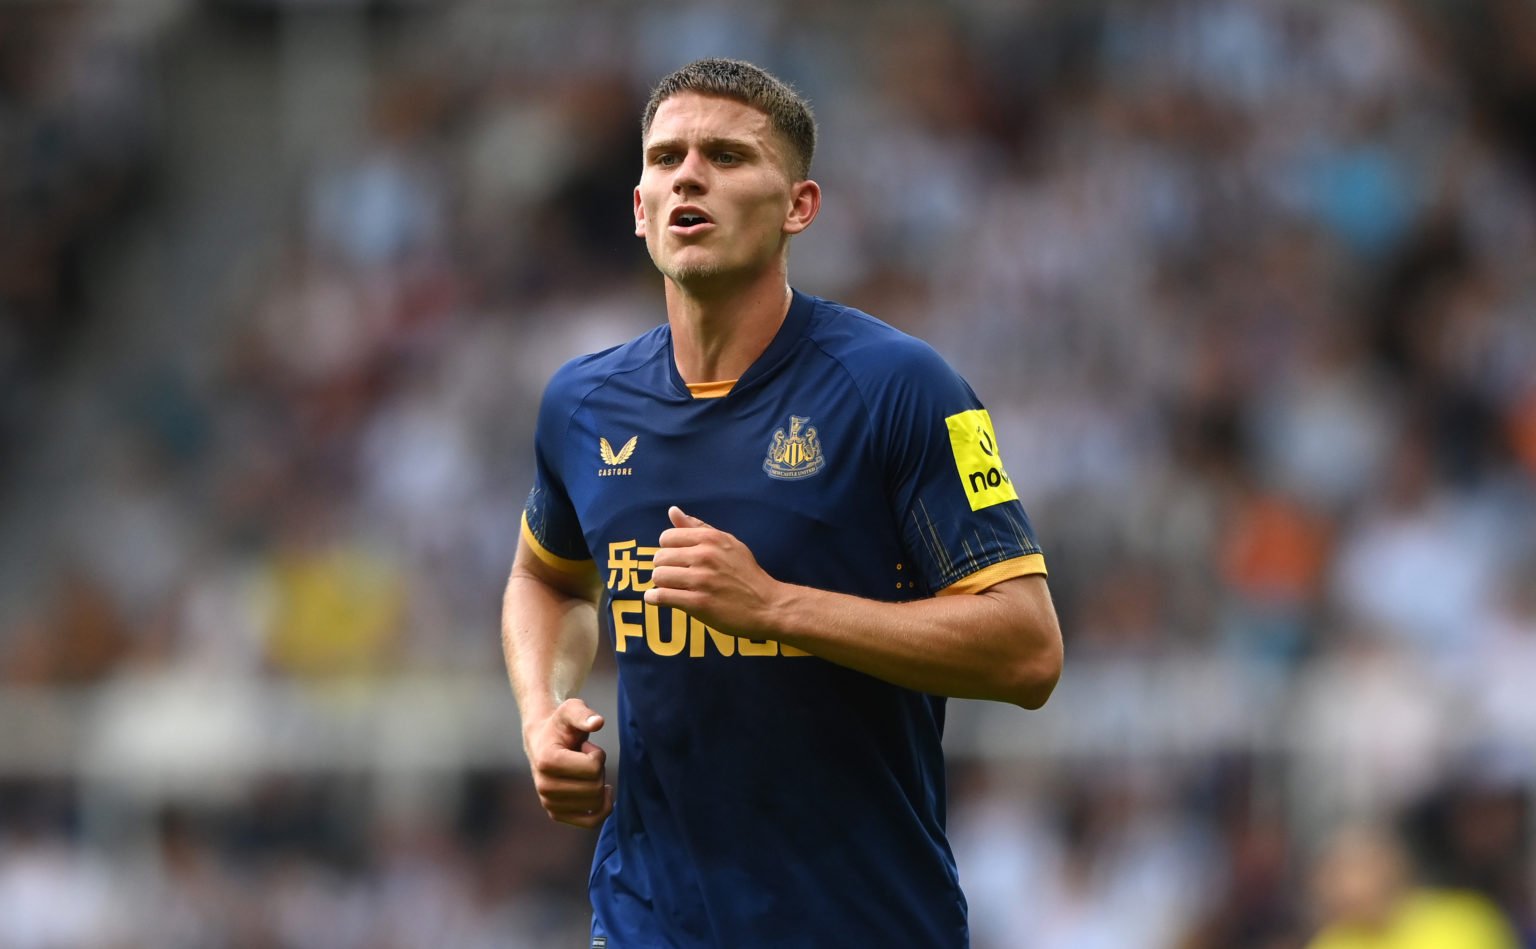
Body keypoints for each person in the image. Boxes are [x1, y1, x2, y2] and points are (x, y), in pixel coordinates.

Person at [502, 57, 1063, 948]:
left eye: (727, 156)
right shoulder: (582, 402)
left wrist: (774, 606)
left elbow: (1028, 649)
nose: (690, 174)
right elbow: (547, 578)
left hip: (862, 921)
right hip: (648, 922)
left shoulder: (901, 386)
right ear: (641, 207)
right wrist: (543, 711)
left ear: (799, 205)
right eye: (667, 158)